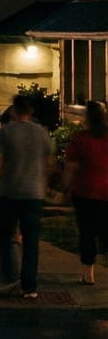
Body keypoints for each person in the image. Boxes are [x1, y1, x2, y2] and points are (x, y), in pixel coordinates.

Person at [0, 94, 54, 299]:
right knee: (31, 241)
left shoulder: (4, 133)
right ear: (30, 111)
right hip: (34, 193)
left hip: (9, 192)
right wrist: (45, 185)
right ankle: (29, 285)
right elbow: (50, 164)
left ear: (13, 110)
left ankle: (8, 277)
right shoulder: (41, 133)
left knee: (4, 236)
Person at [62, 100, 108, 286]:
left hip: (85, 192)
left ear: (86, 117)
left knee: (87, 232)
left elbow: (71, 168)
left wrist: (63, 187)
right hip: (106, 192)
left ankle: (89, 274)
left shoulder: (80, 139)